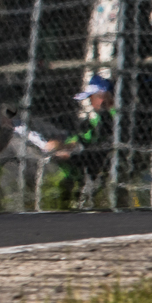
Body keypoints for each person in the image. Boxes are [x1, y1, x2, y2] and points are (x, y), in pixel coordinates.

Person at [47, 74, 118, 209]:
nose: (91, 102)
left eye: (92, 97)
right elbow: (83, 136)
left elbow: (91, 140)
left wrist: (67, 148)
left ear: (102, 97)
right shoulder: (98, 119)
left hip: (102, 164)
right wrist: (64, 145)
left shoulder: (109, 117)